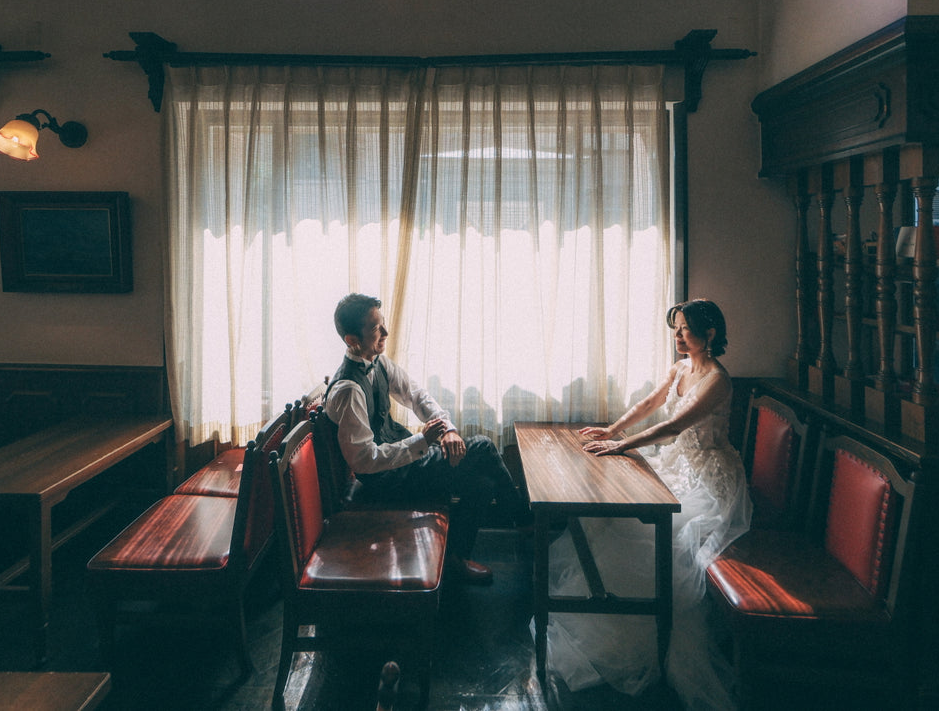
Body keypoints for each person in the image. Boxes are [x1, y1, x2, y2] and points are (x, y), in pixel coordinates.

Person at [542, 298, 751, 710]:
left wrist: (621, 446)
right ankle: (610, 610)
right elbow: (650, 405)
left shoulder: (717, 381)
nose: (677, 336)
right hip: (674, 462)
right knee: (611, 513)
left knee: (648, 529)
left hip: (707, 479)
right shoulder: (681, 368)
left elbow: (673, 425)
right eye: (675, 328)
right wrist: (612, 428)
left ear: (709, 334)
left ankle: (642, 629)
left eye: (685, 329)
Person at [322, 292, 529, 585]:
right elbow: (364, 461)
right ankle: (524, 521)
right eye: (375, 329)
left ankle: (456, 559)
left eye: (383, 324)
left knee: (483, 485)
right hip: (386, 480)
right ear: (352, 340)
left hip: (402, 464)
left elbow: (416, 395)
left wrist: (448, 430)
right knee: (482, 446)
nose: (385, 333)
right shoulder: (348, 389)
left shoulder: (378, 362)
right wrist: (422, 441)